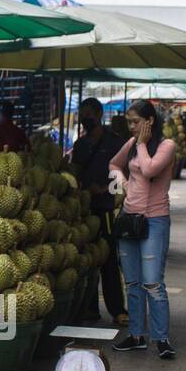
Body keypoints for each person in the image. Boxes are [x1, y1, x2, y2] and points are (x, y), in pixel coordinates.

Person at [109, 99, 177, 360]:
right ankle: (136, 336)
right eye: (129, 122)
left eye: (135, 122)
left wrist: (140, 144)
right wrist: (124, 183)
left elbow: (148, 170)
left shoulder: (166, 146)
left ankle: (161, 338)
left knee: (152, 283)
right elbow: (114, 164)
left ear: (149, 121)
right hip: (129, 218)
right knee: (133, 282)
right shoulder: (131, 144)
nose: (131, 127)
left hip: (154, 221)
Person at [71, 98, 127, 325]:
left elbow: (123, 175)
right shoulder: (80, 145)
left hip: (106, 209)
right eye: (82, 116)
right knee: (86, 260)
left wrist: (104, 189)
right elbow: (75, 174)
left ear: (99, 114)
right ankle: (89, 308)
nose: (85, 120)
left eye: (89, 116)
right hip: (84, 210)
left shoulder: (115, 142)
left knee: (109, 260)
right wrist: (83, 188)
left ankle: (117, 310)